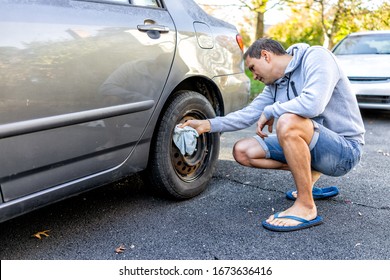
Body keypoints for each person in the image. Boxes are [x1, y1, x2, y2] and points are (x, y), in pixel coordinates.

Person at [180, 38, 365, 232]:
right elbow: (247, 115)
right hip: (313, 146)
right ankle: (309, 175)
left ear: (266, 56)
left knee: (287, 121)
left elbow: (313, 104)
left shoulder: (316, 57)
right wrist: (207, 124)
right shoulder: (275, 86)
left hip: (344, 150)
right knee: (243, 150)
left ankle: (306, 206)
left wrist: (272, 110)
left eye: (252, 67)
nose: (254, 76)